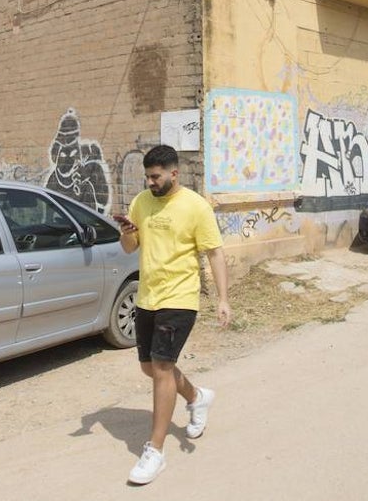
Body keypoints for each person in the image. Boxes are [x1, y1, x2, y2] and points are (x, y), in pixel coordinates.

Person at [115, 145, 230, 486]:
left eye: (156, 176)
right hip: (148, 296)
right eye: (147, 177)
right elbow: (130, 248)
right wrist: (126, 232)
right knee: (149, 367)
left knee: (162, 367)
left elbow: (215, 253)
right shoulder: (141, 202)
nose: (150, 182)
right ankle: (197, 397)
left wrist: (223, 299)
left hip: (180, 298)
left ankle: (155, 451)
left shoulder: (195, 206)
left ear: (174, 173)